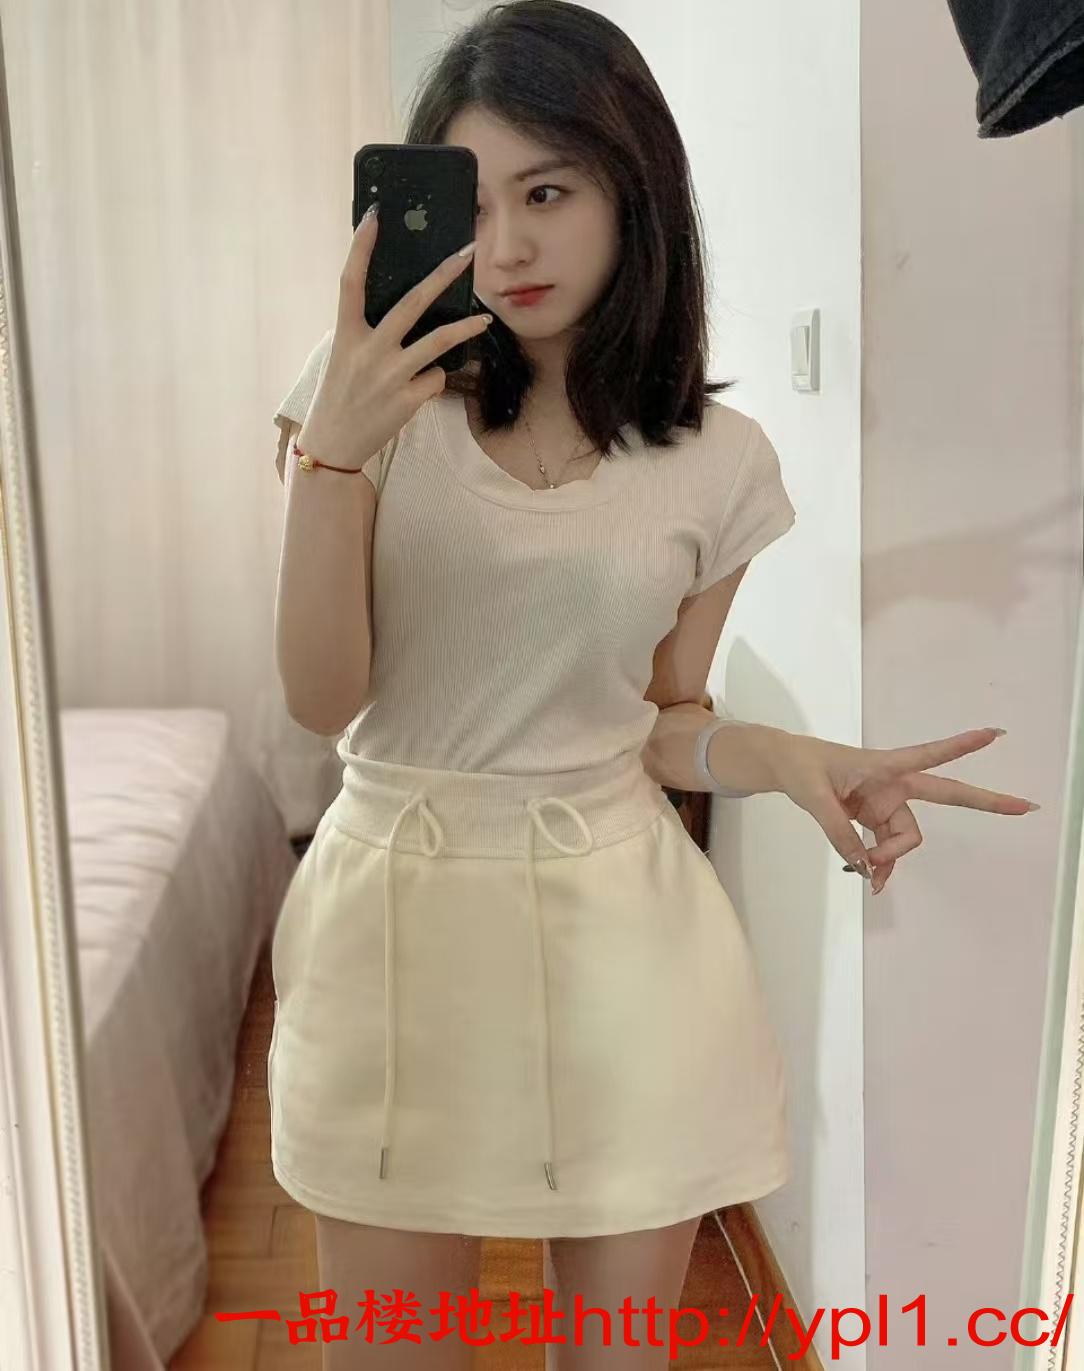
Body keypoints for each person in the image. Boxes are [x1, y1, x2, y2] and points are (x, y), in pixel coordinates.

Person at [269, 5, 1039, 1366]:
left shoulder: (718, 461)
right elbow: (323, 697)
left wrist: (789, 757)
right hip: (392, 930)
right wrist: (327, 459)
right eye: (474, 202)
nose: (507, 246)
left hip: (624, 948)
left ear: (634, 192)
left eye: (548, 193)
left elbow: (666, 722)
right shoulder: (364, 402)